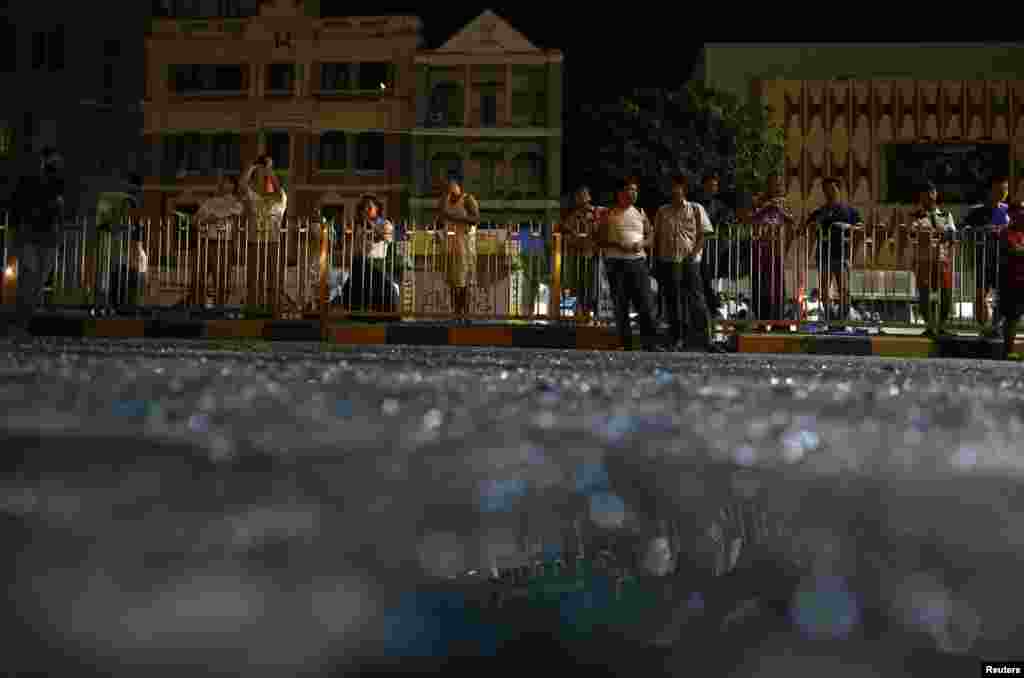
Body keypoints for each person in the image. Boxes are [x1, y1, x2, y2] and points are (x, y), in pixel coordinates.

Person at [2, 147, 65, 339]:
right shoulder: (28, 180)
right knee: (28, 279)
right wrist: (15, 235)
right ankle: (19, 324)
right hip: (29, 236)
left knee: (38, 283)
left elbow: (60, 210)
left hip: (47, 238)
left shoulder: (57, 182)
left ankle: (24, 323)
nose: (54, 165)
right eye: (51, 161)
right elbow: (15, 207)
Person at [594, 175, 660, 351]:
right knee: (621, 304)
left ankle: (650, 343)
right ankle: (625, 344)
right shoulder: (608, 213)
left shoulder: (640, 211)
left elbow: (651, 236)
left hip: (638, 262)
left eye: (635, 190)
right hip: (616, 263)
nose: (633, 193)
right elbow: (599, 239)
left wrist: (642, 244)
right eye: (630, 189)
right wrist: (618, 244)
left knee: (645, 303)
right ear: (620, 193)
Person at [652, 174, 715, 352]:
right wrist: (656, 261)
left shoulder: (695, 208)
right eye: (672, 187)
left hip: (690, 261)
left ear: (684, 189)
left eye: (678, 187)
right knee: (673, 301)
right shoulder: (662, 211)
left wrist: (693, 255)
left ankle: (706, 339)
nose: (675, 190)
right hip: (668, 261)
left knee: (697, 300)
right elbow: (657, 237)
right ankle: (677, 339)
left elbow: (704, 234)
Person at [805, 177, 864, 323]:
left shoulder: (849, 211)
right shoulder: (819, 211)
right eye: (825, 190)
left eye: (832, 189)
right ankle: (831, 320)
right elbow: (806, 228)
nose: (828, 192)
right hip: (824, 254)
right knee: (824, 290)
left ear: (839, 189)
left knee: (844, 289)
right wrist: (814, 224)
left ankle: (842, 320)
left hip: (842, 254)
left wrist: (847, 227)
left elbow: (861, 228)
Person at [962, 176, 1010, 336]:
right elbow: (963, 228)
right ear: (989, 191)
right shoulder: (977, 211)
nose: (1002, 193)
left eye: (1005, 190)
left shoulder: (1009, 211)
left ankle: (995, 328)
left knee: (1003, 298)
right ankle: (984, 327)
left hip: (1004, 261)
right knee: (980, 296)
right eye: (998, 189)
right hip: (983, 260)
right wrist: (979, 230)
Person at [910, 181, 957, 338]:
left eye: (931, 192)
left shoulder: (946, 215)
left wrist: (939, 233)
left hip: (942, 259)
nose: (928, 196)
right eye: (925, 193)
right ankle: (929, 326)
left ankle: (942, 326)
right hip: (923, 260)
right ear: (920, 196)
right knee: (924, 294)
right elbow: (912, 233)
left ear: (935, 194)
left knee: (946, 294)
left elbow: (952, 233)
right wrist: (934, 232)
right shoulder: (915, 216)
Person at [341, 195, 403, 313]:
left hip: (377, 265)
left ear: (377, 209)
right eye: (363, 208)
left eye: (369, 207)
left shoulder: (385, 223)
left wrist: (372, 226)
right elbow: (353, 247)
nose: (366, 210)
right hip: (360, 264)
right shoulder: (358, 226)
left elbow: (386, 237)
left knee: (383, 291)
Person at [749, 174, 797, 325]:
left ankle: (777, 319)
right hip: (759, 249)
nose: (775, 187)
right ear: (767, 185)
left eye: (778, 184)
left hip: (776, 250)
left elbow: (792, 223)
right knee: (760, 284)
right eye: (772, 183)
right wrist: (766, 207)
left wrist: (780, 210)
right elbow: (749, 218)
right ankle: (761, 319)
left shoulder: (784, 203)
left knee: (777, 286)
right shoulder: (758, 200)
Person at [242, 154, 287, 311]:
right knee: (254, 278)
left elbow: (278, 189)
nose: (267, 181)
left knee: (273, 278)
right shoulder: (254, 197)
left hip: (273, 242)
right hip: (255, 242)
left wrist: (269, 170)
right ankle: (253, 308)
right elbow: (242, 185)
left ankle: (273, 308)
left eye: (270, 180)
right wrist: (253, 166)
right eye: (263, 179)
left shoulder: (280, 198)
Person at [194, 175, 244, 307]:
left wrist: (212, 218)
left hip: (224, 243)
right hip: (206, 241)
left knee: (221, 278)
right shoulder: (210, 201)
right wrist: (207, 220)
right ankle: (198, 306)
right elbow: (196, 219)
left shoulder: (236, 202)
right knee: (199, 276)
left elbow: (234, 216)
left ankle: (219, 307)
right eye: (223, 182)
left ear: (233, 186)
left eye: (227, 182)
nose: (224, 184)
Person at [436, 176, 479, 325]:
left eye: (451, 184)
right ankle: (455, 313)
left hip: (464, 246)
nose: (448, 188)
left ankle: (465, 314)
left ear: (458, 185)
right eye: (446, 186)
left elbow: (475, 219)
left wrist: (454, 218)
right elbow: (440, 219)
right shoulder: (445, 200)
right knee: (452, 282)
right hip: (449, 245)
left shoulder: (468, 200)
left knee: (463, 282)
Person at [563, 186, 605, 322]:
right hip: (578, 257)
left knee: (594, 286)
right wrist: (577, 240)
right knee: (579, 286)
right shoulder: (573, 217)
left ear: (589, 197)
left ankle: (595, 315)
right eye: (578, 196)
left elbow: (605, 231)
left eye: (584, 195)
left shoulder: (598, 212)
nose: (581, 199)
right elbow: (567, 236)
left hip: (594, 255)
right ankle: (580, 314)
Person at [696, 173, 734, 318]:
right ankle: (709, 308)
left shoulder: (721, 206)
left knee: (710, 280)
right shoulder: (696, 205)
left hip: (715, 251)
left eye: (715, 185)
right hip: (699, 250)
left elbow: (727, 221)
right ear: (703, 186)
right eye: (710, 185)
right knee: (701, 280)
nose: (713, 188)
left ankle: (713, 307)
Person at [997, 202, 1024, 359]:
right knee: (1012, 317)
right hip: (1012, 281)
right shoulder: (1006, 232)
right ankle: (1009, 351)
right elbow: (1014, 250)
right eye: (1020, 212)